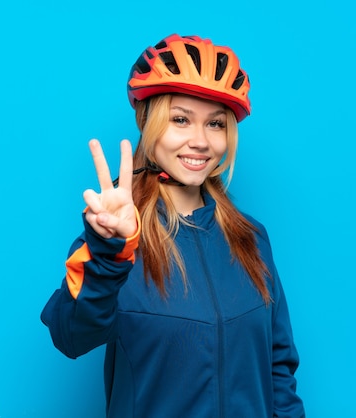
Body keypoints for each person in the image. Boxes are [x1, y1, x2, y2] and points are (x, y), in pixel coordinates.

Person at [41, 33, 305, 418]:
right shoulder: (116, 241)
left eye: (215, 124)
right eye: (181, 119)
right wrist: (109, 253)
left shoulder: (252, 239)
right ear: (150, 122)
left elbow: (278, 368)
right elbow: (70, 335)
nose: (200, 141)